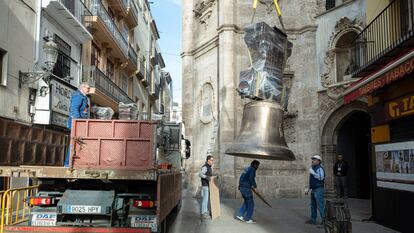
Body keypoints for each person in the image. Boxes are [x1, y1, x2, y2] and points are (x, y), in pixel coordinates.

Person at [65, 82, 90, 167]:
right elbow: (74, 109)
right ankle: (68, 163)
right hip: (76, 123)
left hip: (79, 123)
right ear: (82, 88)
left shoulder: (83, 97)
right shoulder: (78, 96)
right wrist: (78, 122)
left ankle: (71, 163)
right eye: (88, 88)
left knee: (77, 142)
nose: (89, 90)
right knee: (73, 142)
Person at [236, 160, 260, 224]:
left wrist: (249, 185)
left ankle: (240, 215)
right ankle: (248, 219)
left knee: (246, 202)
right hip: (246, 189)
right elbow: (251, 178)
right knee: (251, 204)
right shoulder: (252, 169)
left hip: (242, 187)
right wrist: (255, 187)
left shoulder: (247, 168)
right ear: (255, 165)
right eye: (257, 165)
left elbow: (243, 178)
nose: (258, 167)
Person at [305, 155, 325, 225]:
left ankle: (324, 220)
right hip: (314, 189)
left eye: (314, 159)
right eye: (313, 159)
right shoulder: (313, 168)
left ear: (319, 161)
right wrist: (308, 188)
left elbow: (321, 178)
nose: (313, 161)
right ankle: (313, 219)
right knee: (313, 205)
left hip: (318, 189)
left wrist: (313, 173)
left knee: (320, 205)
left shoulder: (320, 168)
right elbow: (312, 180)